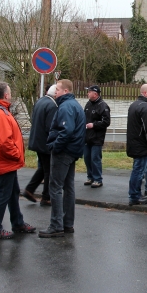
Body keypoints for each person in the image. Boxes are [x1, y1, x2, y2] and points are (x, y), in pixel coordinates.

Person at [0, 81, 36, 240]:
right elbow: (5, 142)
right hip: (5, 161)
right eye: (10, 92)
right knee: (3, 194)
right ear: (6, 95)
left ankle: (17, 222)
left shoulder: (0, 111)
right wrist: (17, 155)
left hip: (6, 161)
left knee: (12, 193)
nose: (11, 95)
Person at [39, 79, 86, 238]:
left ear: (65, 91)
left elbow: (67, 130)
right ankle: (67, 223)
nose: (55, 93)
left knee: (55, 187)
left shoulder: (66, 106)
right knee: (68, 186)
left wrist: (55, 146)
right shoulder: (75, 105)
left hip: (64, 151)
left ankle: (56, 225)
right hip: (72, 151)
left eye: (57, 90)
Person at [24, 85, 58, 205]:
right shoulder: (52, 105)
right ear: (55, 94)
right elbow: (50, 126)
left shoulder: (40, 101)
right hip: (45, 142)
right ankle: (46, 197)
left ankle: (30, 189)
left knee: (43, 168)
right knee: (49, 170)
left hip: (37, 140)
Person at [126, 84, 147, 206]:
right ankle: (134, 196)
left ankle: (136, 193)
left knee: (137, 170)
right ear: (145, 93)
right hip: (141, 144)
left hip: (134, 143)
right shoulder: (145, 107)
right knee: (138, 171)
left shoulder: (134, 105)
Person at [83, 85, 110, 189]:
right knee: (87, 158)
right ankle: (90, 177)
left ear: (95, 94)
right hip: (87, 136)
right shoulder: (88, 104)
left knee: (95, 158)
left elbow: (106, 122)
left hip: (97, 138)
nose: (88, 94)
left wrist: (94, 125)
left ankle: (97, 179)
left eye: (89, 92)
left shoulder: (103, 106)